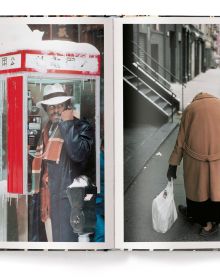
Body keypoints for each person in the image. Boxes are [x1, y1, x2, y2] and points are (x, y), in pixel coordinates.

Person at [32, 83, 94, 242]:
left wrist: (67, 125)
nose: (56, 110)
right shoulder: (47, 129)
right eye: (51, 107)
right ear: (46, 109)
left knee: (66, 245)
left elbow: (78, 155)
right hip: (48, 199)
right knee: (51, 242)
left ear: (67, 106)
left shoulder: (81, 127)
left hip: (68, 201)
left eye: (60, 105)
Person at [167, 92, 220, 237]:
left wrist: (173, 165)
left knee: (197, 191)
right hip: (218, 158)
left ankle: (204, 222)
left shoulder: (190, 109)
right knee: (217, 190)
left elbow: (181, 141)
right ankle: (214, 221)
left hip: (195, 160)